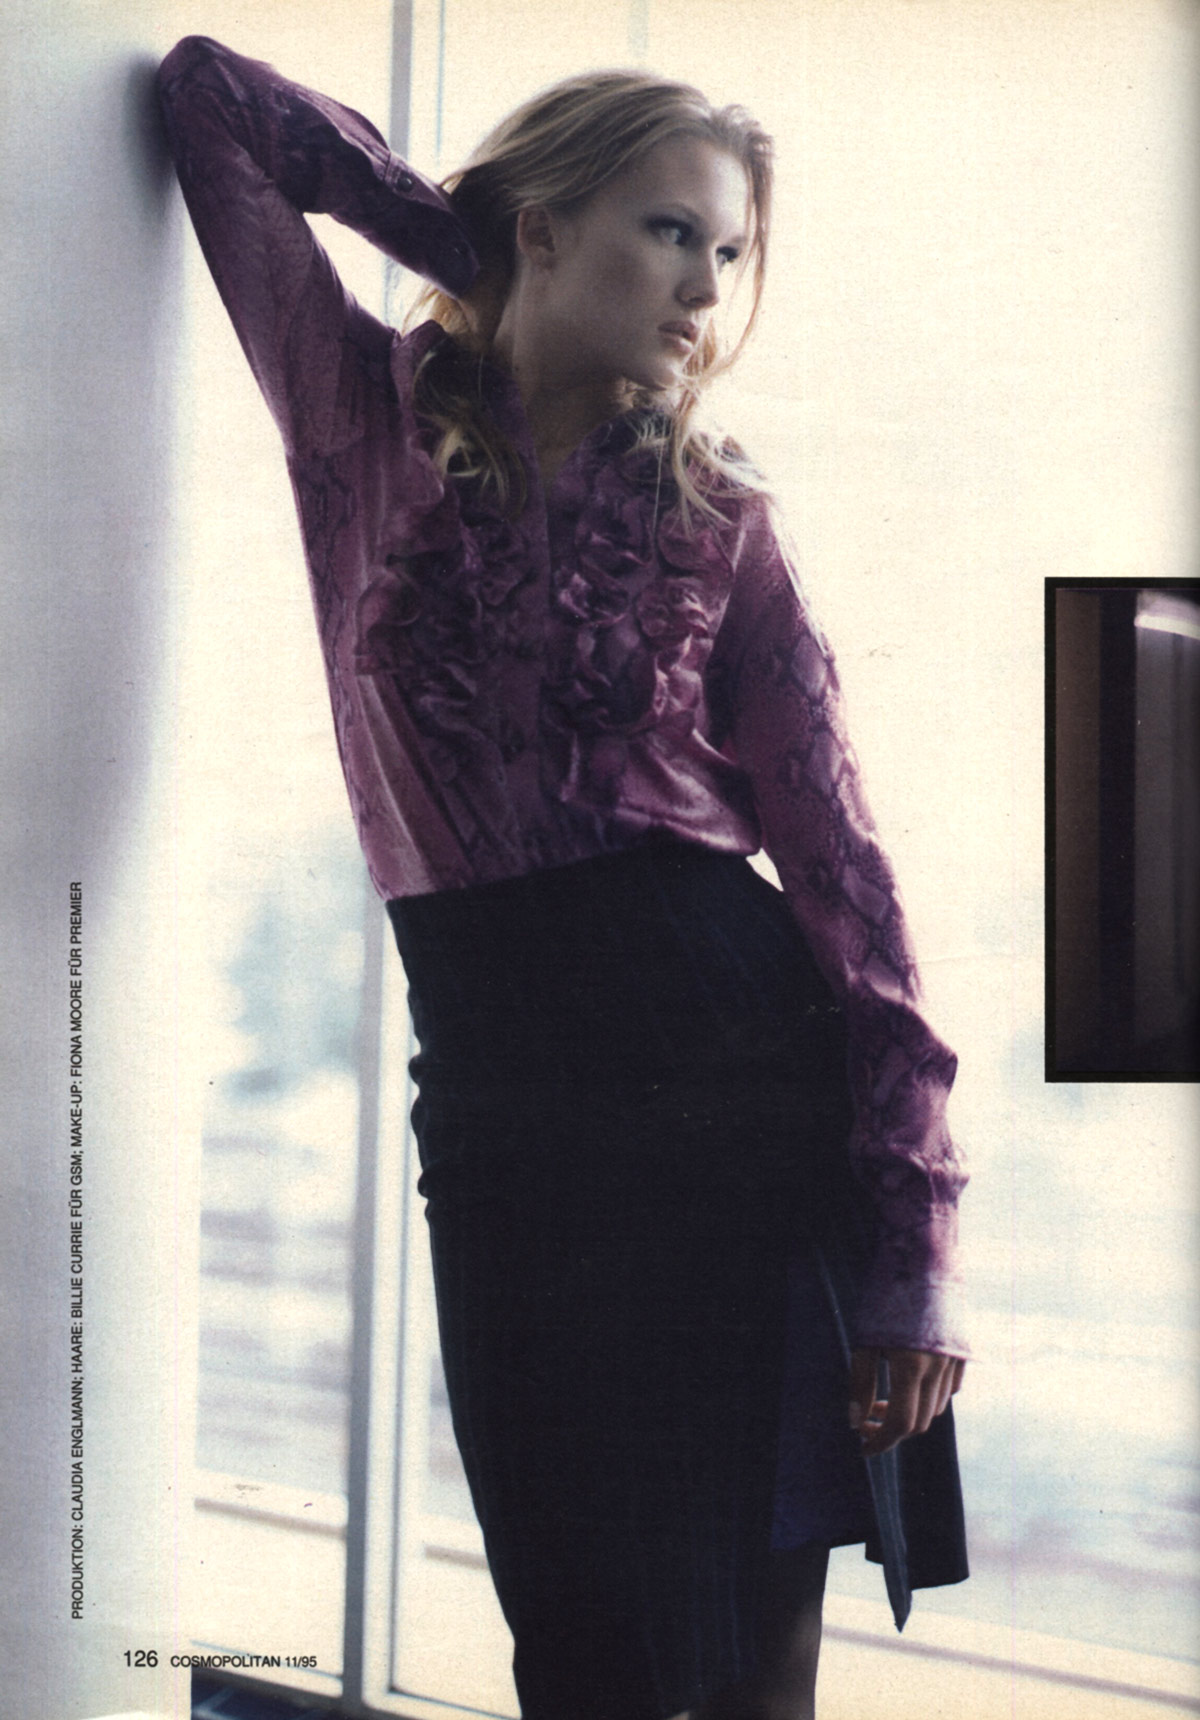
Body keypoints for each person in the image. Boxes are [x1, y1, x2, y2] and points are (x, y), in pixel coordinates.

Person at [158, 35, 969, 1720]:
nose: (707, 288)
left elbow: (852, 890)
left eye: (729, 251)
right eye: (669, 231)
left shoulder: (723, 521)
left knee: (751, 1677)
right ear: (541, 226)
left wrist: (915, 1251)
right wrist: (462, 236)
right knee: (584, 1661)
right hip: (506, 1109)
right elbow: (211, 102)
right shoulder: (356, 413)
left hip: (734, 1105)